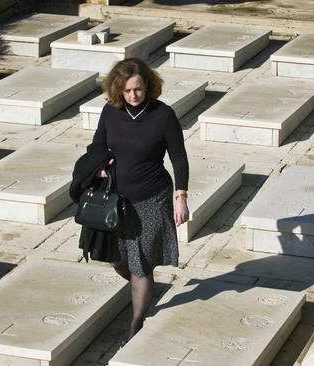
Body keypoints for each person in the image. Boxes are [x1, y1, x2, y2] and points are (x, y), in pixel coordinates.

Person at [92, 58, 189, 340]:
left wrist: (180, 196)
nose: (133, 96)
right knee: (119, 260)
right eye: (127, 91)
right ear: (117, 90)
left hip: (152, 198)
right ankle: (143, 289)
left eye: (138, 89)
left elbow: (179, 157)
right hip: (118, 200)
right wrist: (99, 166)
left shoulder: (163, 115)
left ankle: (136, 324)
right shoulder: (110, 113)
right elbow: (97, 145)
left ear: (148, 84)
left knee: (141, 264)